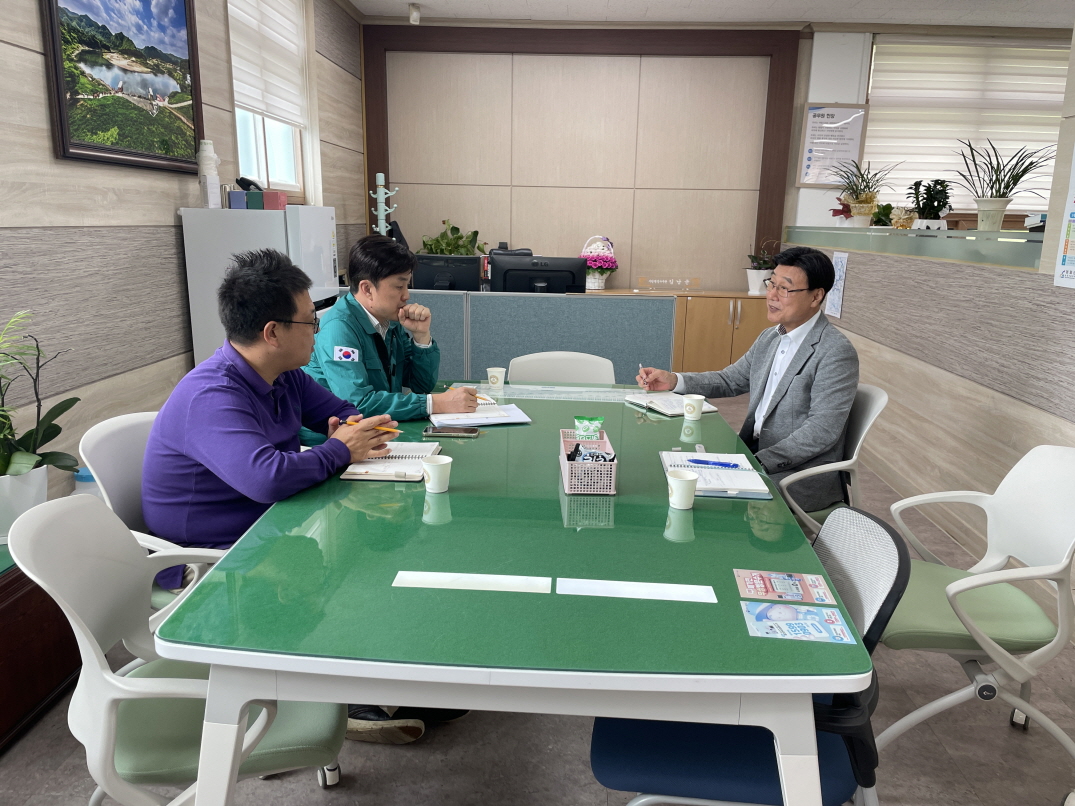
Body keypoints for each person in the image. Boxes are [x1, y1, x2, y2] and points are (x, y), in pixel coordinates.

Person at [142, 249, 464, 744]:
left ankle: (389, 680)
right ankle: (335, 701)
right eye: (310, 321)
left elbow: (345, 411)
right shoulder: (212, 394)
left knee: (375, 558)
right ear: (273, 332)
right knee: (353, 583)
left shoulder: (282, 375)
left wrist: (350, 428)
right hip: (214, 559)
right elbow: (266, 478)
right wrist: (340, 447)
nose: (318, 329)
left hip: (270, 525)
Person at [637, 246, 858, 513]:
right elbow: (730, 379)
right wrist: (674, 380)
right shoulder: (770, 337)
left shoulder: (835, 351)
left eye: (784, 288)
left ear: (816, 296)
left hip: (796, 475)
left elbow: (821, 431)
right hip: (754, 453)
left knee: (698, 502)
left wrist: (756, 462)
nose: (772, 295)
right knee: (671, 472)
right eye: (771, 284)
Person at [304, 234, 477, 419]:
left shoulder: (390, 321)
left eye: (407, 286)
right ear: (367, 289)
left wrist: (421, 337)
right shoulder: (339, 329)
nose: (406, 296)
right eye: (399, 287)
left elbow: (420, 385)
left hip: (379, 427)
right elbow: (357, 404)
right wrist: (436, 403)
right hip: (331, 433)